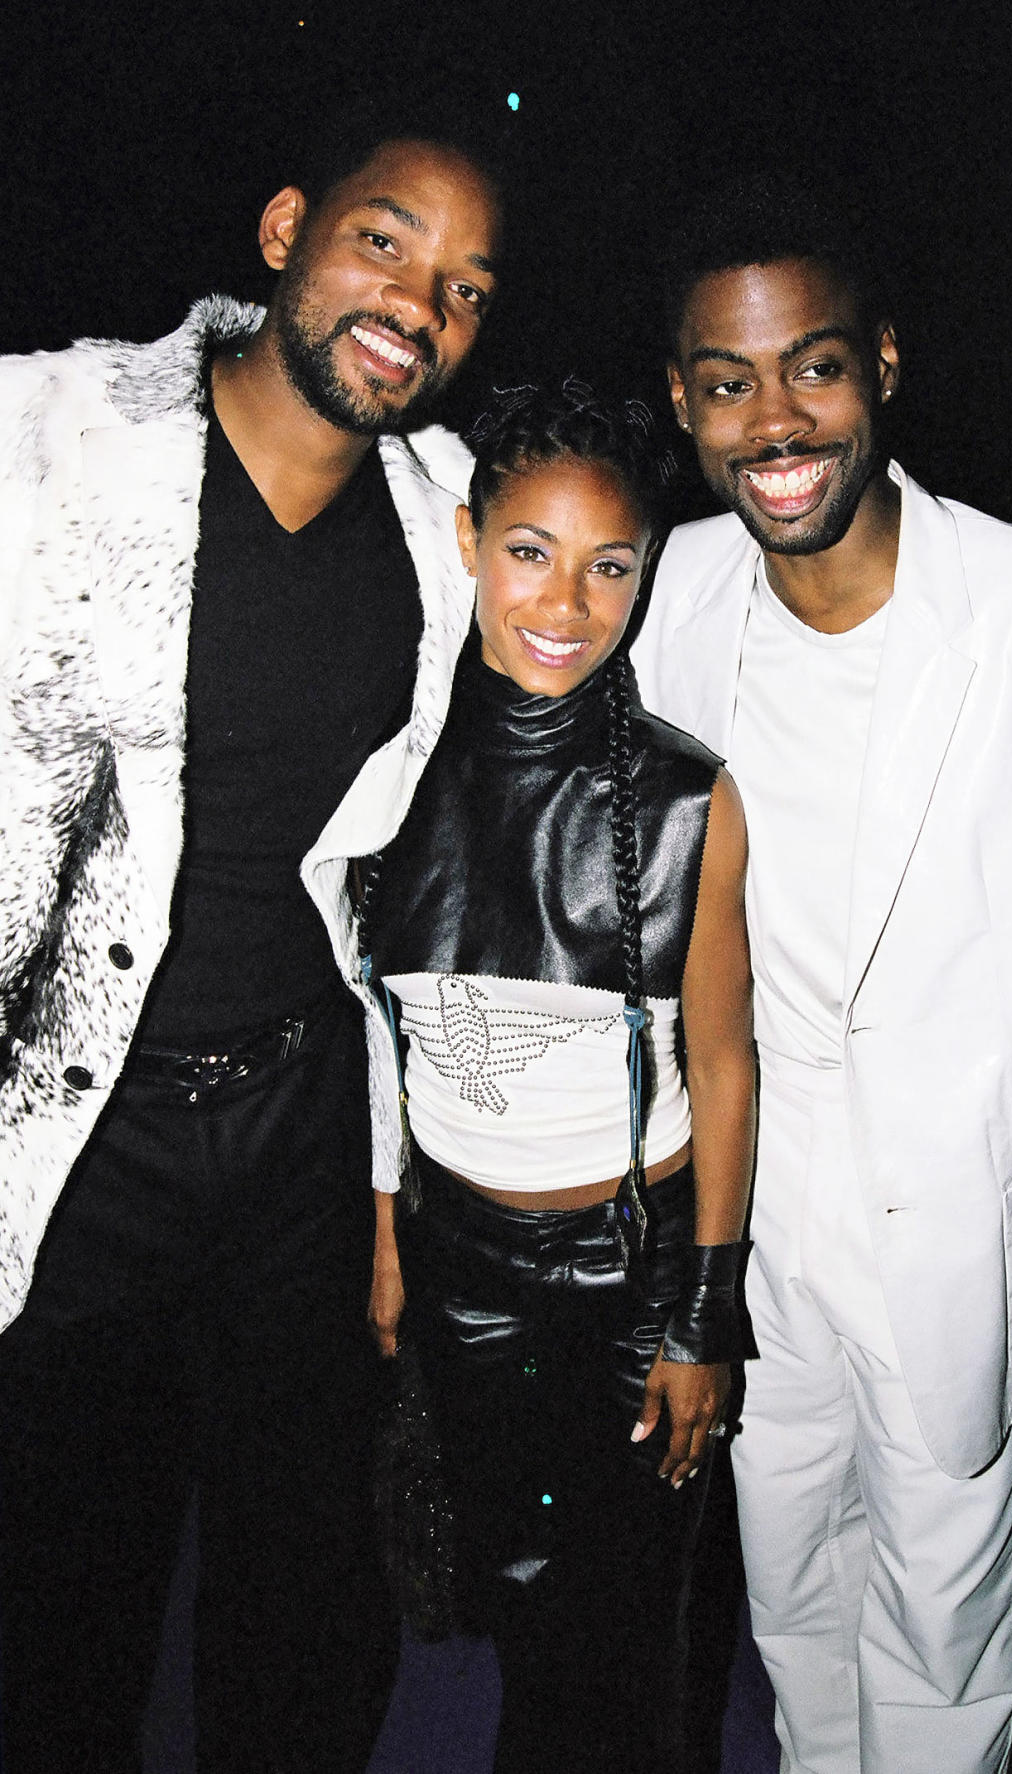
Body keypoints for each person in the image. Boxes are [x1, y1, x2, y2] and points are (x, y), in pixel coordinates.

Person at [628, 173, 1012, 1774]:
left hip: (963, 1230)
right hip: (752, 1226)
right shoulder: (668, 592)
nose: (773, 420)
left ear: (882, 365)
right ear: (681, 406)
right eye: (724, 382)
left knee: (944, 1634)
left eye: (811, 366)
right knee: (791, 1601)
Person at [0, 116, 501, 1772]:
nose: (419, 304)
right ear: (287, 228)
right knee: (68, 1603)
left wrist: (382, 1183)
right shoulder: (50, 431)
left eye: (465, 288)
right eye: (384, 242)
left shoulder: (448, 531)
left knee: (302, 1612)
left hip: (295, 1126)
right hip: (79, 1137)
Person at [302, 382, 757, 1773]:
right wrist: (388, 1228)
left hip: (633, 1268)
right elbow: (384, 1030)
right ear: (466, 539)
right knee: (503, 1582)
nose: (565, 599)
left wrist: (701, 1318)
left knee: (623, 1617)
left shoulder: (689, 797)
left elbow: (727, 1064)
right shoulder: (384, 778)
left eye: (609, 562)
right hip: (458, 1261)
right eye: (528, 551)